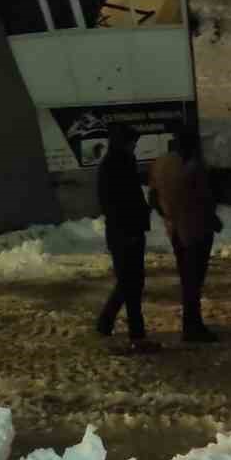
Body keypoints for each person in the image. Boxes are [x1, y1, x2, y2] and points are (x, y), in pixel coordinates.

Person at [148, 128, 222, 343]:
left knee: (186, 279)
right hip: (196, 231)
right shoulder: (195, 168)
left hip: (175, 230)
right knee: (194, 280)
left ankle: (192, 323)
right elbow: (204, 199)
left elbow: (153, 198)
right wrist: (212, 221)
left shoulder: (160, 163)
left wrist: (169, 216)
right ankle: (193, 326)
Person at [95, 124, 158, 352]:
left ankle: (105, 322)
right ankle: (137, 336)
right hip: (125, 233)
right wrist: (131, 229)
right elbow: (116, 204)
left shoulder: (119, 163)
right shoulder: (115, 166)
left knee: (128, 282)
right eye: (133, 142)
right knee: (132, 284)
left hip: (126, 231)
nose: (135, 147)